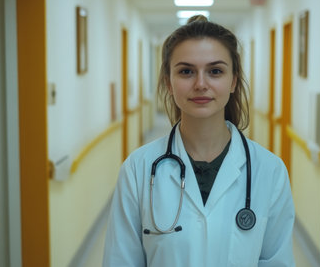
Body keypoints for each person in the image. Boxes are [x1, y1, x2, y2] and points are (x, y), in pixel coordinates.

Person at [102, 15, 295, 266]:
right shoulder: (137, 169)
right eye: (186, 71)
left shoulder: (270, 170)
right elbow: (120, 260)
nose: (201, 84)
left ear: (233, 80)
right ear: (168, 83)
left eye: (215, 71)